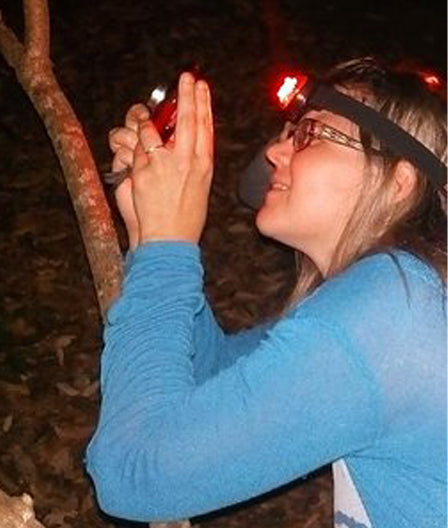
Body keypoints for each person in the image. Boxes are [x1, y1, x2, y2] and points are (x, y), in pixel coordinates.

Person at [85, 58, 447, 527]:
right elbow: (210, 378)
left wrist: (165, 248)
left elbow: (132, 476)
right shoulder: (407, 302)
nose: (275, 151)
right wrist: (148, 236)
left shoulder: (391, 314)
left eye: (311, 134)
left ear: (400, 180)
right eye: (287, 133)